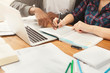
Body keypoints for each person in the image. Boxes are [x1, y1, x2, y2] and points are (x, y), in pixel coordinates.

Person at [10, 0, 76, 27]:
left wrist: (59, 16)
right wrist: (34, 10)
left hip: (68, 30)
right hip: (44, 28)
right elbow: (13, 5)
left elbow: (80, 15)